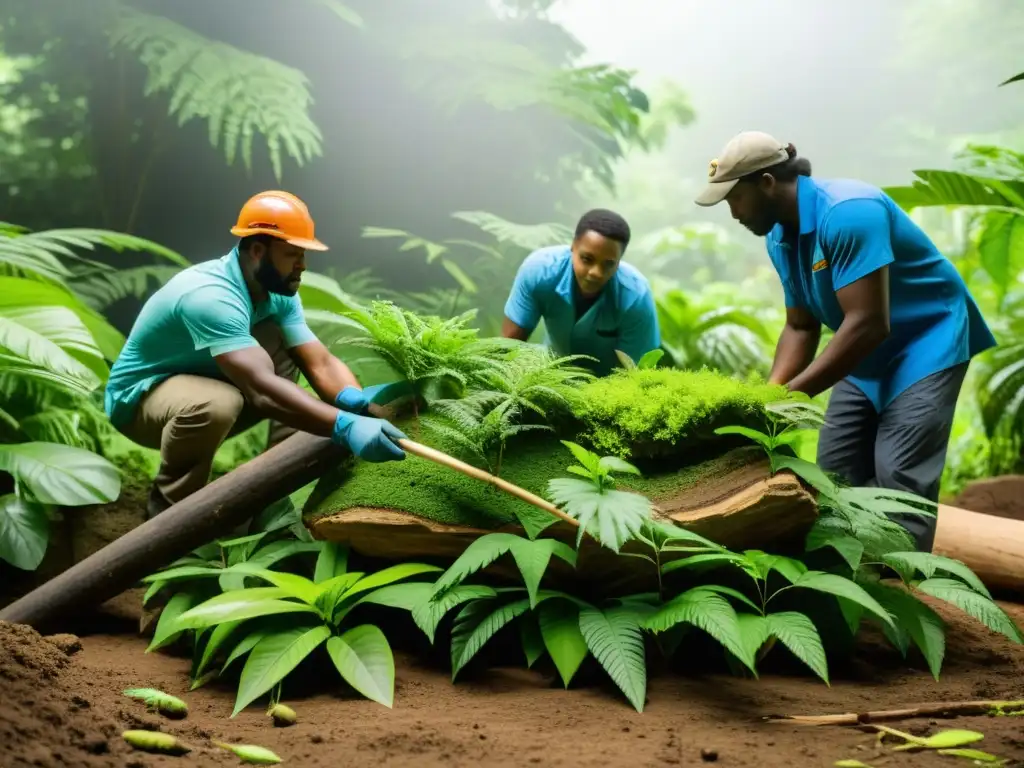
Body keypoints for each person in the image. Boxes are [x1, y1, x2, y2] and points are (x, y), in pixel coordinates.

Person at [694, 131, 997, 552]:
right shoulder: (779, 235)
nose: (733, 213)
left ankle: (897, 595)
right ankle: (847, 580)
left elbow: (869, 322)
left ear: (765, 183)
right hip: (865, 352)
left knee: (899, 476)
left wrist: (792, 396)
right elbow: (800, 327)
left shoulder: (849, 212)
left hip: (925, 342)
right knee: (834, 472)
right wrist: (769, 397)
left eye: (735, 199)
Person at [105, 190, 407, 520]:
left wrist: (354, 400)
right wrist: (344, 426)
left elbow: (318, 360)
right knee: (218, 403)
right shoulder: (211, 297)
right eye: (293, 254)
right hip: (141, 402)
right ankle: (168, 514)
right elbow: (262, 391)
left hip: (215, 378)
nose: (302, 266)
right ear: (258, 251)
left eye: (303, 254)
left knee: (280, 339)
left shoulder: (278, 290)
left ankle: (277, 487)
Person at [501, 208, 661, 375]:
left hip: (607, 388)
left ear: (619, 261)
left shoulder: (636, 296)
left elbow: (636, 373)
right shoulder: (538, 272)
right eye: (587, 259)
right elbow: (507, 348)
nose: (596, 272)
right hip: (549, 376)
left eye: (608, 264)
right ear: (573, 246)